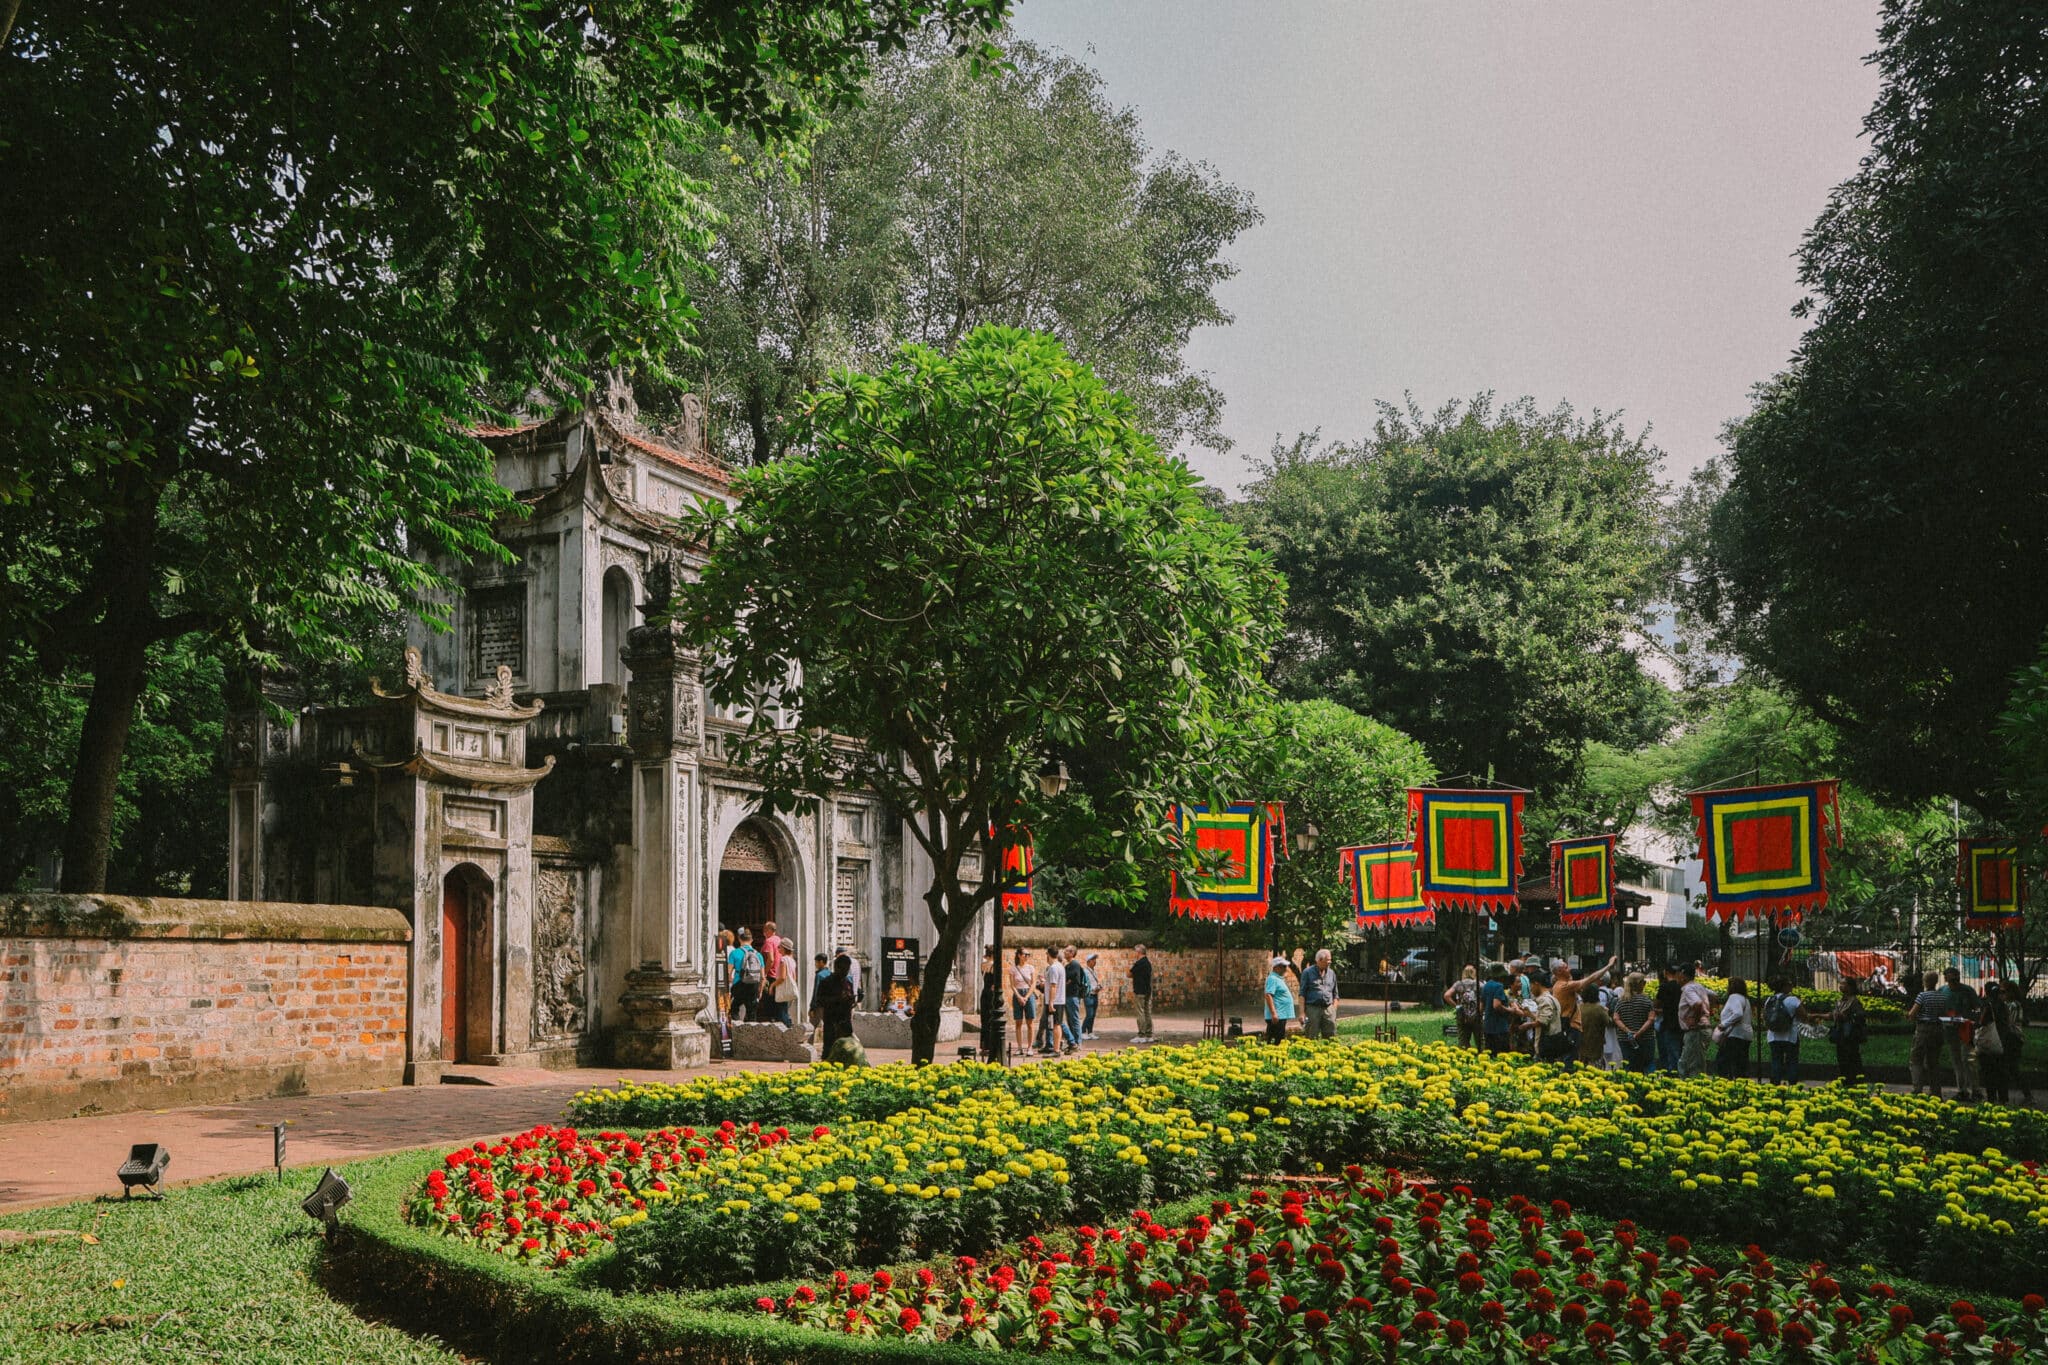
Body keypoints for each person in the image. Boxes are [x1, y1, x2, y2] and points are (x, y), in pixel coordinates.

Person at [1942, 967, 1982, 1100]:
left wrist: (1970, 1019)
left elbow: (1978, 1008)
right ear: (1946, 978)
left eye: (1956, 978)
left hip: (1966, 1030)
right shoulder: (1943, 991)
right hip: (1950, 1030)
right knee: (1957, 1060)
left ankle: (1976, 1090)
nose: (1954, 981)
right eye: (1951, 979)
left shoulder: (1968, 990)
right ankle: (1962, 1090)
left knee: (1969, 1060)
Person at [1908, 970, 1948, 1097]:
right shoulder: (1942, 996)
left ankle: (1917, 1088)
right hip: (1938, 1030)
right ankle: (1936, 1092)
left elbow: (1912, 1014)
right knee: (1934, 1062)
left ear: (1925, 982)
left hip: (1923, 1030)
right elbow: (1945, 1013)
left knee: (1916, 1059)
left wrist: (1909, 1016)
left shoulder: (1922, 996)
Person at [1977, 981, 2014, 1106]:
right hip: (2002, 1040)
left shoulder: (1987, 1005)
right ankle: (2003, 1097)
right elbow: (2008, 1022)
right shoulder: (2004, 1006)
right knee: (2002, 1071)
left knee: (1988, 1071)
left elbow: (1981, 1021)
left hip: (1989, 1040)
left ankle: (1991, 1097)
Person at [1614, 972, 1658, 1072]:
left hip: (1625, 1039)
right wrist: (1639, 1033)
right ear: (1640, 984)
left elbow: (1616, 1018)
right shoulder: (1646, 1001)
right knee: (1648, 1064)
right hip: (1646, 1038)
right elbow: (1651, 1019)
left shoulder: (1621, 1001)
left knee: (1629, 1065)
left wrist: (1627, 1031)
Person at [1828, 977, 1868, 1086]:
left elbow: (1860, 1016)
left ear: (1850, 987)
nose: (1841, 986)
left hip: (1850, 1035)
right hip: (1841, 1035)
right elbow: (1833, 1015)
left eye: (1843, 984)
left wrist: (1847, 1017)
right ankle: (1845, 1080)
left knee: (1852, 1058)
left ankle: (1855, 1081)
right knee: (1842, 1059)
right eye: (1840, 984)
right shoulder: (1840, 1001)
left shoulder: (1854, 1002)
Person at [1677, 963, 1714, 1078]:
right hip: (1702, 1030)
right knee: (1693, 1062)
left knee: (1690, 1066)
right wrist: (1708, 1010)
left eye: (1678, 974)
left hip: (1696, 1031)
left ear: (1683, 975)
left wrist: (1696, 1019)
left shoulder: (1688, 989)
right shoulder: (1698, 986)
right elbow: (1714, 995)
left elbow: (1697, 1003)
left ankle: (1691, 1090)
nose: (1676, 977)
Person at [1714, 976, 1754, 1079]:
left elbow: (1738, 1013)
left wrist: (1724, 1024)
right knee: (1741, 1062)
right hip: (1746, 1034)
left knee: (1723, 1060)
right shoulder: (1746, 999)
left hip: (1735, 1034)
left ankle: (1724, 1081)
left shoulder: (1734, 997)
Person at [818, 954, 857, 1056]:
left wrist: (852, 1000)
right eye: (843, 969)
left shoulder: (848, 982)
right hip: (831, 1021)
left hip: (845, 1022)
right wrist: (838, 999)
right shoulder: (826, 982)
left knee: (846, 1052)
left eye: (847, 969)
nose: (845, 972)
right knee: (829, 1051)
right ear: (836, 968)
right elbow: (820, 1000)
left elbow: (850, 999)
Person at [1301, 948, 1340, 1039]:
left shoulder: (1331, 973)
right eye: (1328, 960)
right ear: (1319, 960)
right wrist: (1302, 1013)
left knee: (1331, 1036)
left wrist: (1333, 1009)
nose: (1330, 962)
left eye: (1330, 960)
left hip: (1328, 1008)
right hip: (1313, 1008)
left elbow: (1336, 994)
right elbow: (1302, 994)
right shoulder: (1307, 973)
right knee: (1311, 1035)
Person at [727, 927, 764, 1023]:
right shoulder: (758, 955)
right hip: (753, 985)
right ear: (751, 940)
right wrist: (760, 990)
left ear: (739, 939)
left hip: (739, 984)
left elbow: (728, 972)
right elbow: (763, 977)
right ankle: (750, 1033)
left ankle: (738, 1027)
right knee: (752, 1012)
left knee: (734, 1008)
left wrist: (729, 985)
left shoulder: (734, 953)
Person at [1577, 977, 1614, 1070]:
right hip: (1596, 1043)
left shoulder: (1578, 1008)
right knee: (1595, 1067)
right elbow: (1609, 1023)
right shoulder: (1599, 1009)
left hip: (1580, 1042)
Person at [1479, 962, 1515, 1055]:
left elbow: (1481, 1006)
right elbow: (1496, 1005)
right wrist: (1510, 1010)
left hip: (1488, 1026)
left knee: (1490, 1054)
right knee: (1502, 1054)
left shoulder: (1486, 985)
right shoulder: (1499, 986)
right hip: (1499, 1026)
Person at [1654, 966, 1685, 1073]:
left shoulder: (1664, 987)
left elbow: (1656, 1004)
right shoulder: (1682, 987)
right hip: (1681, 1023)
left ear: (1665, 972)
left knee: (1668, 1052)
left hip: (1667, 1023)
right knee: (1678, 1051)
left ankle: (1670, 1073)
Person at [1008, 947, 1037, 1057]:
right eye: (1025, 954)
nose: (1027, 956)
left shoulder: (1031, 968)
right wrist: (1019, 996)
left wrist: (1026, 997)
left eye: (1028, 954)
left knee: (1030, 1022)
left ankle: (1029, 1047)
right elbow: (1012, 985)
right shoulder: (1013, 969)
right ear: (1019, 955)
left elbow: (1033, 983)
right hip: (1017, 994)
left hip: (1028, 993)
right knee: (1018, 1022)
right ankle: (1019, 1047)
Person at [1443, 965, 1481, 1049]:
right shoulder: (1478, 984)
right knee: (1479, 1040)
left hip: (1462, 1015)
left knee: (1463, 1041)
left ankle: (1463, 1055)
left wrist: (1457, 1006)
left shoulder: (1459, 984)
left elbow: (1446, 995)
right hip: (1476, 1015)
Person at [1262, 956, 1296, 1043]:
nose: (1285, 969)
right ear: (1276, 967)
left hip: (1281, 1015)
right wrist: (1274, 1014)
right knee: (1275, 1039)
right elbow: (1268, 995)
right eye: (1283, 966)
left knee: (1279, 1037)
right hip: (1277, 1015)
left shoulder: (1278, 978)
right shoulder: (1272, 979)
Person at [1061, 946, 1086, 1052]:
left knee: (1074, 1020)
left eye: (1066, 951)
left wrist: (1066, 981)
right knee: (1070, 1020)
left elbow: (1071, 979)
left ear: (1071, 953)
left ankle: (1078, 1042)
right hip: (1067, 995)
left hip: (1072, 996)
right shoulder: (1068, 966)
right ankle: (1073, 1043)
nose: (1064, 952)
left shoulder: (1074, 965)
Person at [978, 946, 1001, 1060]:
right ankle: (991, 1045)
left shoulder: (983, 965)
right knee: (992, 1019)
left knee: (984, 1019)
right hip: (991, 994)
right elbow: (996, 982)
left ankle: (984, 1045)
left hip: (984, 992)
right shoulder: (994, 966)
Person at [1130, 944, 1155, 1044]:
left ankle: (1141, 1034)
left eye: (1135, 952)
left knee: (1140, 1012)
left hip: (1140, 990)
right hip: (1147, 990)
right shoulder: (1148, 963)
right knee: (1147, 1012)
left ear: (1138, 952)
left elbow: (1129, 973)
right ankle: (1149, 1034)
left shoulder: (1139, 963)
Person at [1081, 952, 1103, 1039]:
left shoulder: (1093, 971)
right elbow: (1085, 984)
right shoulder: (1085, 971)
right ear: (1089, 961)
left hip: (1095, 994)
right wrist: (1093, 989)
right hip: (1089, 994)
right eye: (1093, 960)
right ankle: (1082, 1031)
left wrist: (1098, 987)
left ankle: (1090, 1031)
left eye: (1095, 960)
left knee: (1093, 1014)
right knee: (1089, 1014)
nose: (1095, 962)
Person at [809, 952, 832, 1029]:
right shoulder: (830, 974)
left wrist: (812, 1007)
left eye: (816, 962)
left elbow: (816, 992)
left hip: (820, 1006)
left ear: (821, 962)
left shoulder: (819, 975)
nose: (815, 965)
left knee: (817, 1025)